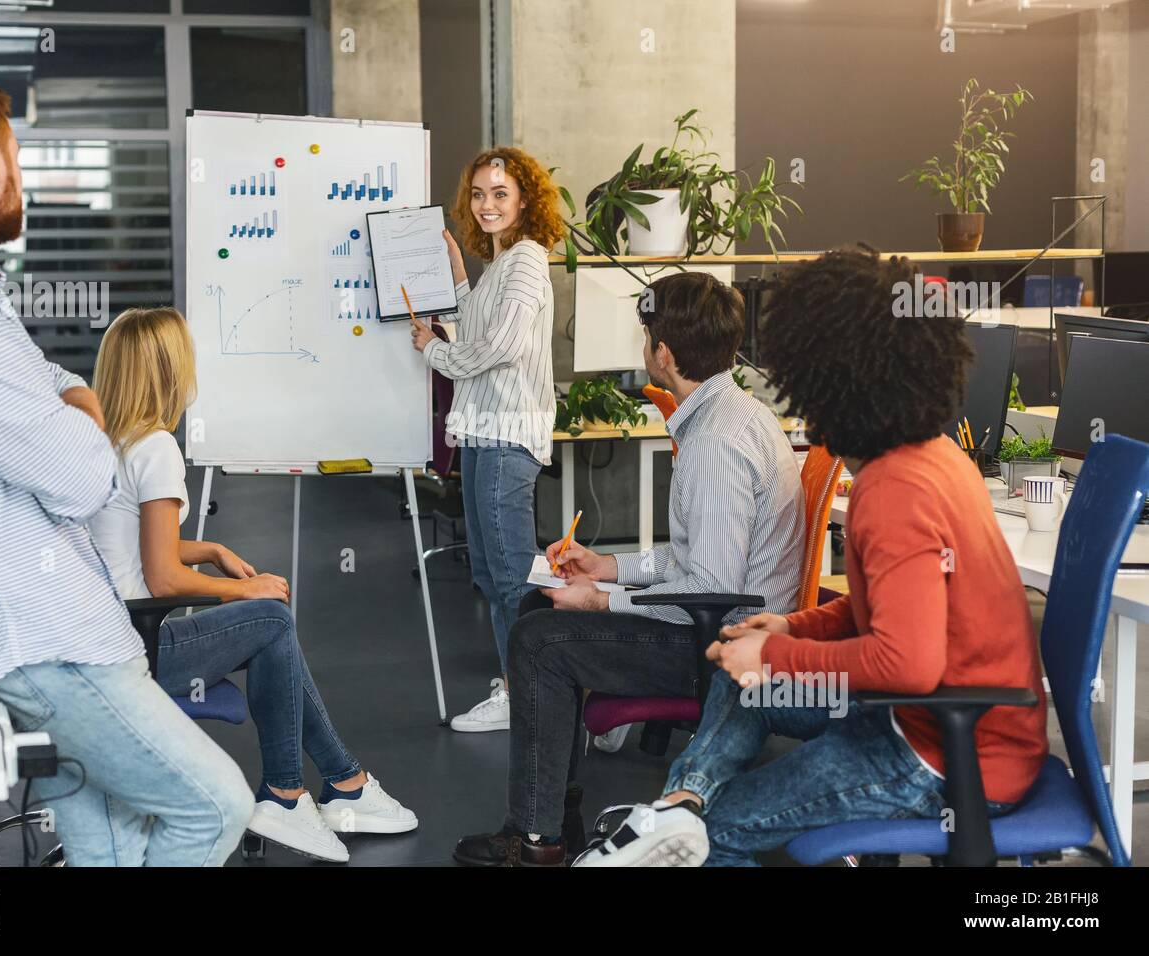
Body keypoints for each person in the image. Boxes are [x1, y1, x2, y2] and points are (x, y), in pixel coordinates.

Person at [0, 69, 253, 865]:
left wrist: (71, 399)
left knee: (106, 847)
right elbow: (83, 477)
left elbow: (60, 385)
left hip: (14, 629)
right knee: (213, 808)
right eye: (17, 152)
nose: (22, 173)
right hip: (41, 638)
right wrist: (76, 408)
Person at [578, 248, 1049, 867]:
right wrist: (789, 629)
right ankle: (678, 807)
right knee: (741, 676)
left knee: (720, 830)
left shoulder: (892, 492)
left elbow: (907, 663)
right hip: (935, 720)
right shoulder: (932, 454)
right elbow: (878, 608)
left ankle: (689, 825)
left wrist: (776, 654)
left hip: (948, 756)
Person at [452, 271, 806, 866]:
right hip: (717, 617)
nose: (644, 348)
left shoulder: (716, 442)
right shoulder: (731, 411)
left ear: (663, 353)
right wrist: (607, 567)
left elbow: (712, 589)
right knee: (540, 608)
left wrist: (600, 602)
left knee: (539, 641)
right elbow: (698, 558)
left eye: (646, 337)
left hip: (721, 641)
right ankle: (552, 815)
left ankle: (536, 839)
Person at [88, 307, 418, 863]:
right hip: (137, 653)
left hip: (99, 644)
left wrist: (214, 549)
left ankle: (341, 784)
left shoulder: (109, 444)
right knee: (271, 620)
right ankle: (298, 792)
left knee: (272, 633)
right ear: (170, 372)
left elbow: (132, 543)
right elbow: (162, 574)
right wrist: (247, 591)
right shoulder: (156, 449)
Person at [409, 147, 564, 733]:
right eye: (478, 194)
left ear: (525, 200)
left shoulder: (526, 260)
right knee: (491, 570)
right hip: (483, 432)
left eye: (500, 193)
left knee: (509, 575)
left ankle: (530, 693)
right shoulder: (503, 264)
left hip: (505, 434)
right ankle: (524, 683)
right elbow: (478, 321)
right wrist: (454, 269)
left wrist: (436, 352)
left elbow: (499, 348)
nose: (487, 204)